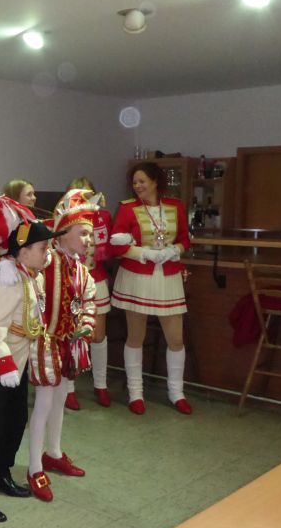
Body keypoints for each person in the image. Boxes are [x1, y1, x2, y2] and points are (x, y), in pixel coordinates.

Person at [0, 195, 60, 522]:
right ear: (24, 251)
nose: (47, 253)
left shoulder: (34, 275)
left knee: (16, 422)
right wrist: (5, 364)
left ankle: (1, 473)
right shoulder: (10, 281)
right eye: (43, 248)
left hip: (20, 363)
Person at [26, 191, 95, 502]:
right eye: (83, 233)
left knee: (60, 400)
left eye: (90, 234)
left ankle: (53, 452)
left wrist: (87, 325)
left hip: (69, 345)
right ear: (63, 233)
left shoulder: (82, 270)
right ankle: (34, 467)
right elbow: (28, 286)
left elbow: (89, 301)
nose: (89, 240)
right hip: (45, 343)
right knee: (43, 403)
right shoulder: (47, 261)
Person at [109, 162, 192, 415]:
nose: (138, 186)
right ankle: (136, 393)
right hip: (137, 276)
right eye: (135, 182)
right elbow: (115, 245)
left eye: (142, 181)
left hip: (168, 276)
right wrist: (143, 253)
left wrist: (174, 250)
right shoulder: (127, 208)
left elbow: (185, 238)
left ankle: (176, 392)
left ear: (155, 182)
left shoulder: (175, 206)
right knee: (136, 337)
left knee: (176, 338)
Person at [66, 177, 114, 408]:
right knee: (70, 333)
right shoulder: (65, 220)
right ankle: (68, 387)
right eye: (78, 194)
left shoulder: (103, 217)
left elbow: (108, 249)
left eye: (87, 194)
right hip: (71, 279)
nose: (83, 199)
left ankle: (101, 385)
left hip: (97, 278)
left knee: (98, 336)